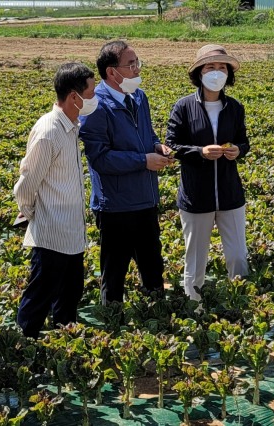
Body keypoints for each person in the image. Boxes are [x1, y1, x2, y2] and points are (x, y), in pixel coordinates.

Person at [79, 40, 173, 305]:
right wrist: (143, 160)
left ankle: (156, 316)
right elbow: (100, 158)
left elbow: (147, 134)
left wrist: (157, 146)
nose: (137, 69)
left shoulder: (139, 97)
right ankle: (113, 319)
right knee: (115, 273)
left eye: (137, 62)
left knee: (153, 267)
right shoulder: (95, 106)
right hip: (116, 206)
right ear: (112, 72)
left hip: (145, 199)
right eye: (131, 64)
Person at [14, 62, 96, 338]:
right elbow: (27, 184)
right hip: (51, 233)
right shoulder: (49, 131)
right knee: (40, 295)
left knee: (70, 295)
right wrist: (33, 214)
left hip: (72, 232)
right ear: (74, 96)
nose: (94, 98)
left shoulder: (71, 126)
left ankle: (64, 344)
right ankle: (24, 346)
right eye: (90, 92)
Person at [164, 44, 250, 301]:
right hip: (196, 196)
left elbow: (243, 141)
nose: (217, 72)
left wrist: (238, 150)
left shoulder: (234, 107)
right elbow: (172, 145)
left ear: (228, 74)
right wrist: (200, 152)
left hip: (229, 193)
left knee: (238, 255)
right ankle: (194, 305)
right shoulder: (184, 107)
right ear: (199, 72)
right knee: (195, 258)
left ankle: (239, 300)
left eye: (222, 67)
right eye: (210, 67)